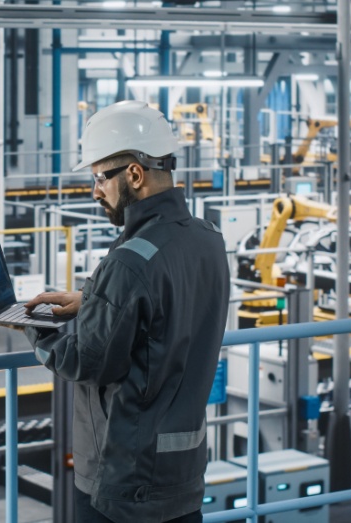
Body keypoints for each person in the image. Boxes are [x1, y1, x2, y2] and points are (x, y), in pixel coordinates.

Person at [23, 101, 231, 522]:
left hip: (124, 483)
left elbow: (84, 359)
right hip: (184, 472)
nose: (95, 190)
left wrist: (32, 324)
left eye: (100, 176)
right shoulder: (209, 240)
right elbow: (166, 310)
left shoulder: (128, 262)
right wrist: (94, 300)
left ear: (134, 174)